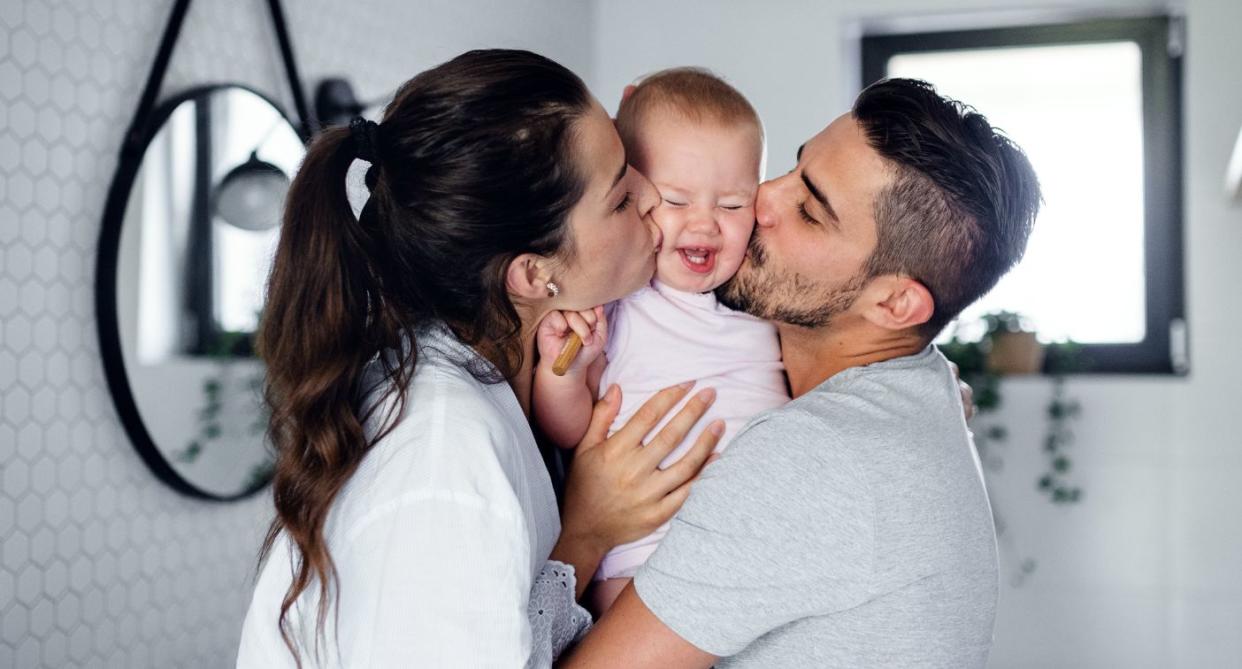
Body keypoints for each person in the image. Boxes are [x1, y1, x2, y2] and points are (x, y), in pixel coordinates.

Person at [235, 49, 726, 668]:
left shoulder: (515, 375)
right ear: (531, 273)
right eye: (622, 194)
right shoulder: (441, 462)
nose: (655, 196)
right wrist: (586, 531)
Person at [563, 78, 1042, 668]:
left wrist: (583, 531)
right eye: (792, 168)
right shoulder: (923, 388)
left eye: (809, 211)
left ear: (894, 306)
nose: (760, 199)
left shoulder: (813, 457)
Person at [531, 68, 788, 615]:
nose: (706, 223)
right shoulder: (620, 302)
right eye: (675, 199)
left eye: (733, 205)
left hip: (755, 560)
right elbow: (569, 427)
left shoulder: (767, 302)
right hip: (641, 558)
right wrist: (564, 372)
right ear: (632, 194)